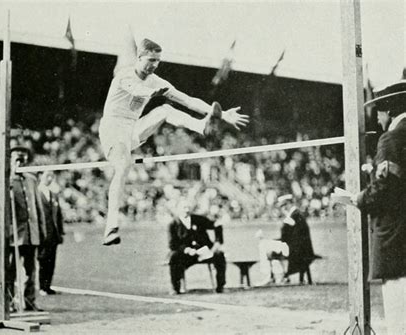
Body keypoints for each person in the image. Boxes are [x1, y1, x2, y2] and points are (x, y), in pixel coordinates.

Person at [99, 38, 249, 245]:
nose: (154, 65)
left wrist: (222, 114)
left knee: (166, 110)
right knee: (123, 165)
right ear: (139, 57)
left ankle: (200, 126)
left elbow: (187, 100)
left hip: (133, 128)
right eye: (151, 60)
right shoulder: (123, 77)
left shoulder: (155, 81)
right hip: (113, 131)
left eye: (158, 61)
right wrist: (154, 92)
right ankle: (111, 227)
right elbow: (138, 90)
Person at [350, 80, 406, 335]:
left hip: (396, 242)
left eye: (380, 112)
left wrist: (359, 198)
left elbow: (385, 189)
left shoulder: (391, 139)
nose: (379, 119)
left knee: (399, 321)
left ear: (389, 111)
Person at [0, 145, 46, 312]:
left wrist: (42, 230)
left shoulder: (31, 180)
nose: (20, 162)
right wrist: (4, 196)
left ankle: (29, 302)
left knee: (31, 271)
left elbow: (38, 207)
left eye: (23, 159)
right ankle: (7, 304)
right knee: (11, 271)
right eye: (17, 158)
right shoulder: (3, 179)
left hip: (31, 233)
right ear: (10, 160)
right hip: (13, 233)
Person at [167, 198, 226, 294]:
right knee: (174, 257)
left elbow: (217, 224)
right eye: (184, 207)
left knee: (219, 255)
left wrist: (218, 242)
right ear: (177, 209)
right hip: (186, 255)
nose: (187, 210)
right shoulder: (173, 224)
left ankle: (220, 286)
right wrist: (186, 249)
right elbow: (172, 244)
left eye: (188, 207)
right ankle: (175, 288)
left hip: (204, 252)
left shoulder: (198, 219)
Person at [257, 194, 315, 285]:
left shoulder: (295, 215)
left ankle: (271, 276)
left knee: (264, 245)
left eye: (283, 206)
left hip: (298, 249)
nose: (282, 209)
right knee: (266, 246)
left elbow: (288, 236)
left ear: (288, 204)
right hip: (297, 247)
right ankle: (277, 275)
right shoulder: (295, 214)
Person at [37, 170, 64, 296]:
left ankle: (47, 286)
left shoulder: (53, 194)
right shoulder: (37, 193)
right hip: (42, 233)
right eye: (47, 175)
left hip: (53, 234)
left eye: (51, 176)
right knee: (42, 260)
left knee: (51, 261)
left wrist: (60, 231)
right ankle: (41, 286)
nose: (50, 178)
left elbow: (58, 215)